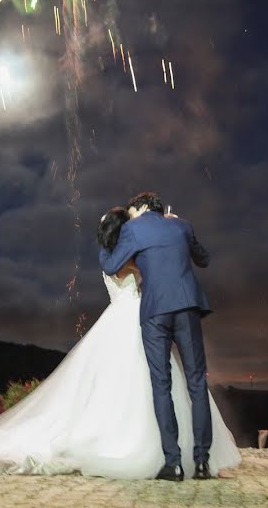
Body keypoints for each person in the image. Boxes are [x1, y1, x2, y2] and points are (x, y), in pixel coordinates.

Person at [0, 206, 240, 480]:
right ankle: (196, 459)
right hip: (159, 314)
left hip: (141, 318)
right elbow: (192, 258)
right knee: (179, 383)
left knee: (151, 385)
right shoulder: (153, 243)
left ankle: (171, 461)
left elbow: (116, 263)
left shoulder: (122, 251)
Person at [99, 191, 216, 481]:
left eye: (132, 209)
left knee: (161, 384)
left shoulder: (132, 229)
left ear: (141, 207)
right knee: (197, 383)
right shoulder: (181, 225)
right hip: (187, 307)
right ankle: (201, 463)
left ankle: (173, 463)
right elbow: (204, 258)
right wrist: (179, 227)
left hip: (155, 313)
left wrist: (102, 241)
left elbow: (112, 265)